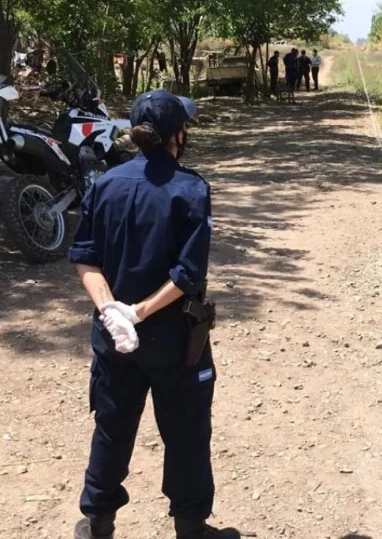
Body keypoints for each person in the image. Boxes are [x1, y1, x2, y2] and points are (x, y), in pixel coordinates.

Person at [70, 90, 240, 539]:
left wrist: (111, 312)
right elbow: (187, 273)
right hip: (175, 341)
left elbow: (85, 257)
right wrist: (138, 312)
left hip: (114, 339)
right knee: (186, 433)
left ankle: (98, 525)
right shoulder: (191, 188)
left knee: (112, 428)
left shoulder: (105, 184)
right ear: (178, 135)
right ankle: (190, 528)